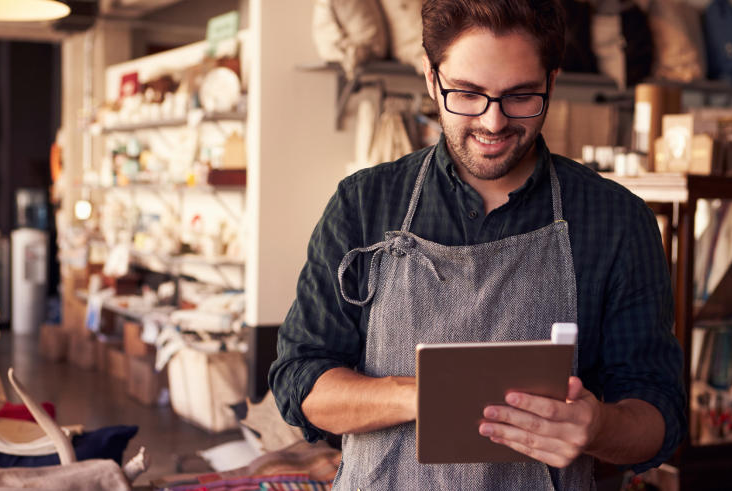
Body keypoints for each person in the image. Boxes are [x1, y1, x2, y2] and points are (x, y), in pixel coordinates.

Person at [269, 0, 686, 489]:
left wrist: (598, 427)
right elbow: (299, 380)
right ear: (431, 78)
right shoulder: (363, 205)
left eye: (520, 96)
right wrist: (421, 396)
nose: (492, 123)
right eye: (467, 94)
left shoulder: (616, 220)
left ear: (551, 81)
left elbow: (660, 415)